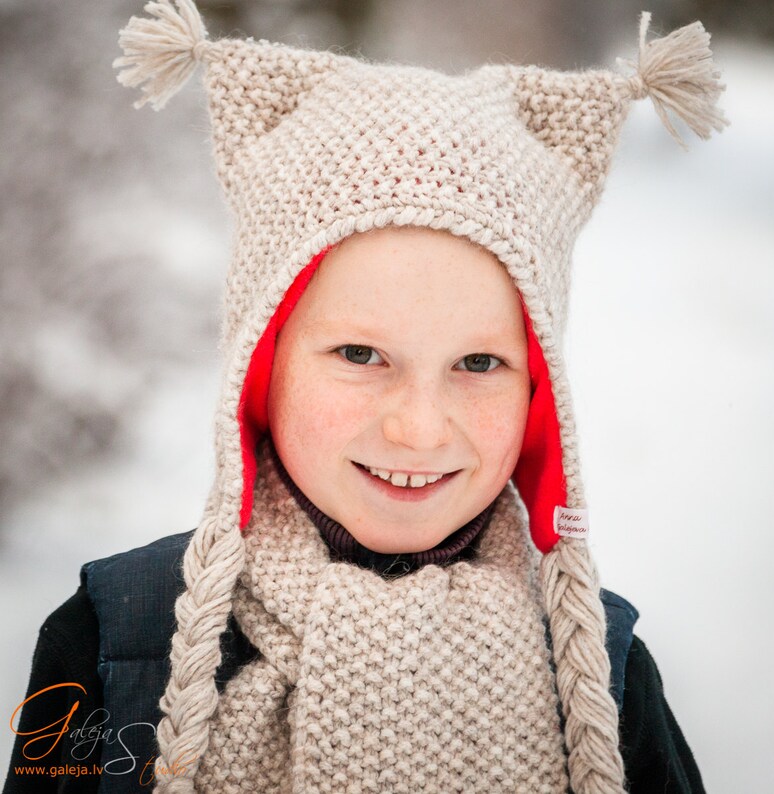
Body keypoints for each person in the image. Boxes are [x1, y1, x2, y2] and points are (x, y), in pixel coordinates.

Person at [5, 2, 727, 792]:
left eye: (478, 363)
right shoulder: (121, 641)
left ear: (538, 390)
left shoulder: (598, 677)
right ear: (262, 367)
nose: (419, 428)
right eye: (359, 355)